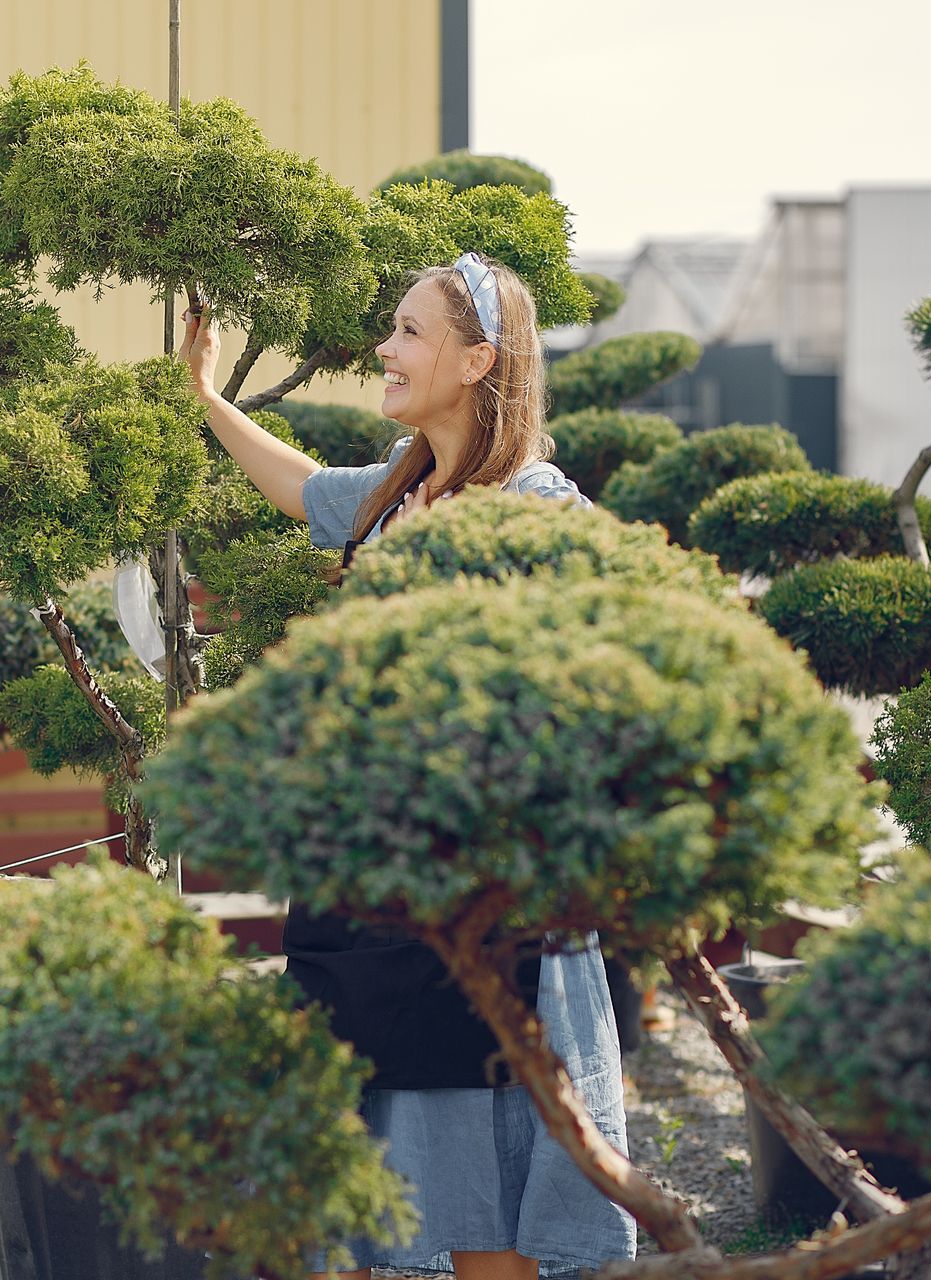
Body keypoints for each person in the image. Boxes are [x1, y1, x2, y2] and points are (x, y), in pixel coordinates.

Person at [181, 254, 638, 1279]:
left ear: (479, 359)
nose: (383, 350)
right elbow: (300, 488)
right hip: (371, 895)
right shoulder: (398, 490)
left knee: (490, 1208)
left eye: (408, 333)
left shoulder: (540, 510)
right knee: (349, 1182)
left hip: (491, 910)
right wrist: (206, 395)